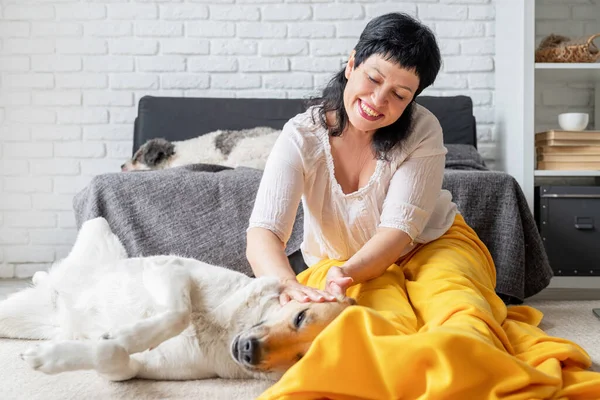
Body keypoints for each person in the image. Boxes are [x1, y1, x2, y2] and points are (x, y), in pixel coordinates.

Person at [246, 12, 456, 304]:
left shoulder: (423, 129)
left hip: (425, 247)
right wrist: (287, 284)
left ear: (412, 100)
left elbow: (398, 231)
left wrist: (348, 272)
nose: (378, 100)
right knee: (354, 323)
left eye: (399, 94)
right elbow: (264, 231)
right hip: (336, 266)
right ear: (352, 64)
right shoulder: (301, 136)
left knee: (457, 313)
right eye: (373, 78)